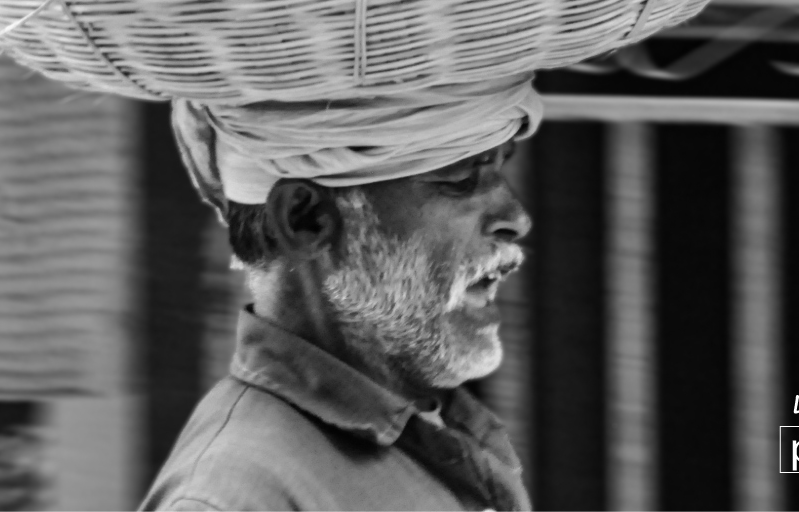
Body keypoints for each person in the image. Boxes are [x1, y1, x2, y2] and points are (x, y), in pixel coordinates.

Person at [141, 75, 542, 511]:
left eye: (499, 167)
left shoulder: (430, 428)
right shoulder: (234, 499)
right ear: (305, 220)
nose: (515, 218)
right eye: (462, 178)